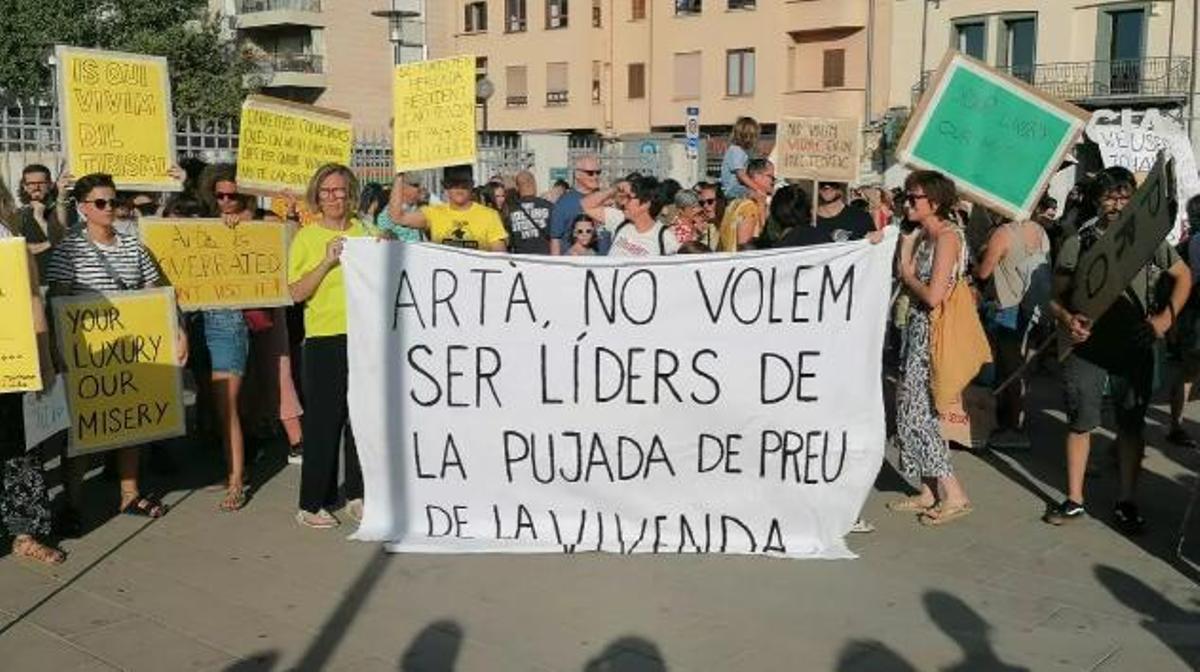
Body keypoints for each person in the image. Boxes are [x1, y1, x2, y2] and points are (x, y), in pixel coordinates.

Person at [1043, 166, 1191, 533]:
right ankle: (1075, 499)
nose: (1117, 203)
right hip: (1086, 347)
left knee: (1130, 426)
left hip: (1133, 344)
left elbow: (1183, 277)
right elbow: (1054, 297)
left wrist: (1162, 322)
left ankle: (1127, 500)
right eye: (1110, 196)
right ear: (1097, 200)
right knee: (1081, 422)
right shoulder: (1080, 241)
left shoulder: (1148, 240)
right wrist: (1066, 319)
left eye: (1125, 196)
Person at [45, 173, 189, 522]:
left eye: (113, 201)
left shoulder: (135, 248)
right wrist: (55, 349)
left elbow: (158, 294)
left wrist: (178, 330)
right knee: (82, 430)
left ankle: (130, 495)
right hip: (88, 358)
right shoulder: (69, 250)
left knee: (129, 423)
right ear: (82, 209)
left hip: (131, 352)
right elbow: (58, 303)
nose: (109, 208)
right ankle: (73, 503)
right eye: (100, 202)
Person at [887, 170, 973, 526]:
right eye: (905, 197)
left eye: (914, 198)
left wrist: (907, 270)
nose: (907, 203)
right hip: (915, 330)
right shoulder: (923, 234)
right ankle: (926, 489)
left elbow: (934, 295)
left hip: (932, 334)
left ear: (934, 203)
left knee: (920, 415)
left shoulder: (948, 238)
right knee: (907, 410)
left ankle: (954, 494)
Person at [287, 164, 370, 529]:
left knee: (361, 421)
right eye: (326, 192)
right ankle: (311, 503)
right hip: (324, 339)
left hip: (366, 337)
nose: (334, 198)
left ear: (350, 193)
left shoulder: (365, 230)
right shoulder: (306, 236)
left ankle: (358, 493)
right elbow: (296, 292)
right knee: (325, 422)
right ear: (316, 197)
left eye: (339, 191)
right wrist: (326, 261)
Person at [0, 209, 63, 563]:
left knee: (18, 447)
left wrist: (45, 357)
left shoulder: (8, 239)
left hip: (9, 361)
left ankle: (24, 532)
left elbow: (33, 298)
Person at [196, 165, 253, 511]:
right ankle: (233, 470)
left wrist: (247, 218)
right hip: (193, 319)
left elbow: (282, 231)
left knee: (227, 406)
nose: (227, 202)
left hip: (225, 321)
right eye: (221, 195)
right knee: (215, 407)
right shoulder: (200, 221)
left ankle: (236, 481)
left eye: (234, 196)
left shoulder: (252, 220)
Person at [974, 212, 1051, 450]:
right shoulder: (1040, 231)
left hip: (1006, 306)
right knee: (1019, 366)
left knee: (1008, 369)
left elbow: (984, 272)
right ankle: (1016, 419)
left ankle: (1012, 427)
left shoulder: (1003, 233)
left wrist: (978, 256)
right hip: (1031, 306)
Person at [391, 170, 508, 251]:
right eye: (453, 183)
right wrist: (399, 175)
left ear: (472, 184)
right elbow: (397, 217)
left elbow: (500, 259)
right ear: (445, 186)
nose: (459, 188)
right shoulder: (434, 213)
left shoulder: (489, 216)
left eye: (464, 183)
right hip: (444, 282)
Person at [1167, 195, 1200, 447]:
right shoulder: (1190, 245)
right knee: (1188, 372)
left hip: (1189, 316)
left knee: (1187, 373)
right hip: (1194, 316)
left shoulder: (1186, 245)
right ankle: (1176, 426)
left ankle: (1176, 425)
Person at [583, 176, 677, 257]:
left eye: (629, 198)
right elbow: (587, 206)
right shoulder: (620, 219)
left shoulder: (665, 238)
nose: (623, 202)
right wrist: (615, 189)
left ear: (645, 204)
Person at [13, 164, 68, 277]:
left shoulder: (61, 209)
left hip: (59, 278)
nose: (36, 187)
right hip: (30, 280)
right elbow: (18, 249)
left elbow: (64, 245)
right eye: (31, 183)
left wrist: (39, 218)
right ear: (24, 186)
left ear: (50, 185)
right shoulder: (19, 214)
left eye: (41, 183)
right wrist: (50, 243)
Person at [549, 155, 603, 255]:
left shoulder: (606, 199)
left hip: (607, 265)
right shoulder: (564, 203)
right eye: (590, 173)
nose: (595, 176)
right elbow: (555, 240)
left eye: (598, 172)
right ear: (578, 174)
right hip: (576, 265)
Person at [717, 159, 775, 252]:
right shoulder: (749, 207)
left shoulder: (734, 203)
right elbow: (744, 247)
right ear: (756, 176)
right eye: (770, 176)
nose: (773, 181)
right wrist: (761, 207)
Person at [505, 171, 554, 254]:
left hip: (521, 260)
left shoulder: (510, 209)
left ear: (517, 187)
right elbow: (555, 236)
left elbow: (508, 240)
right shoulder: (549, 206)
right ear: (534, 184)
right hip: (545, 259)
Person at [720, 117, 762, 201]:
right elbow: (741, 175)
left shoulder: (742, 151)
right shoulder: (736, 150)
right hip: (732, 189)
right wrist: (757, 188)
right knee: (758, 195)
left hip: (737, 188)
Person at [377, 173, 425, 243]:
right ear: (401, 187)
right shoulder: (386, 215)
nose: (420, 189)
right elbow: (384, 237)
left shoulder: (422, 208)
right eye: (415, 185)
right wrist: (389, 235)